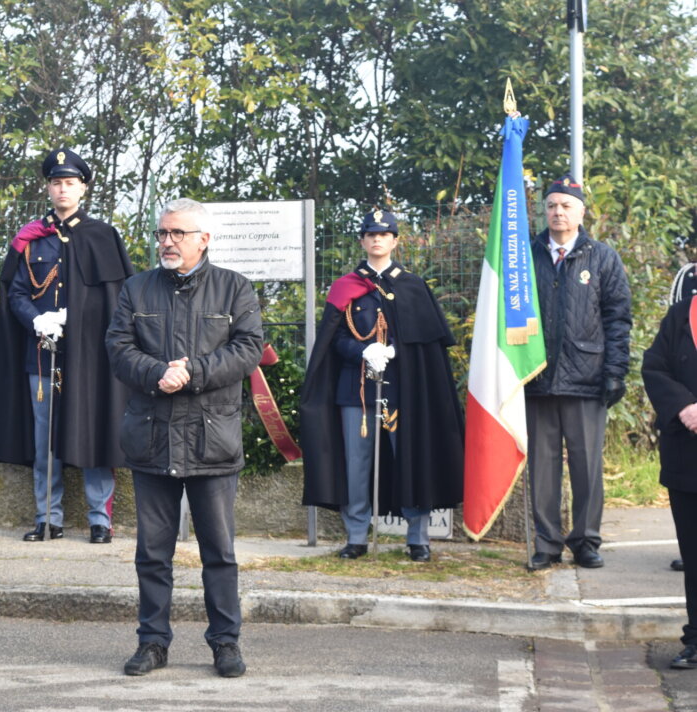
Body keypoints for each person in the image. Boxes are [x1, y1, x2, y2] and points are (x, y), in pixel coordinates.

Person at [105, 197, 263, 678]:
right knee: (152, 554)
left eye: (177, 233)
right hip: (152, 439)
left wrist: (192, 373)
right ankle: (152, 643)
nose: (167, 242)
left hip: (211, 441)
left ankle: (225, 643)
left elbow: (248, 348)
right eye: (162, 233)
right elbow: (117, 347)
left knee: (219, 553)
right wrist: (158, 373)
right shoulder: (136, 289)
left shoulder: (235, 289)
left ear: (204, 239)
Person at [0, 148, 134, 544]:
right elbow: (15, 292)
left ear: (83, 188)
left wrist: (79, 322)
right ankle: (48, 518)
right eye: (56, 182)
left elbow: (118, 301)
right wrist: (36, 319)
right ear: (47, 188)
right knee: (45, 442)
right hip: (42, 356)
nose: (63, 189)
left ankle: (100, 519)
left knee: (96, 431)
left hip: (91, 359)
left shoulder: (102, 236)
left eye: (70, 183)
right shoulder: (31, 239)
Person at [300, 208, 464, 562]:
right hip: (355, 394)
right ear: (362, 240)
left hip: (403, 392)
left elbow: (426, 349)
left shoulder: (413, 286)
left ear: (395, 241)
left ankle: (417, 538)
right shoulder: (346, 286)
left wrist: (395, 350)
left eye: (384, 234)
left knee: (410, 459)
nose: (377, 239)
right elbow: (334, 340)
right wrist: (363, 350)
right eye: (370, 234)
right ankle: (357, 535)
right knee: (356, 466)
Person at [525, 175, 631, 570]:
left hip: (587, 378)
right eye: (551, 205)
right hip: (538, 377)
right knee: (542, 468)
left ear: (581, 212)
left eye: (566, 206)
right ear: (545, 211)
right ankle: (547, 544)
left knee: (587, 466)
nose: (558, 212)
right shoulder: (526, 256)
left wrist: (615, 371)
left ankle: (585, 541)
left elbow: (618, 319)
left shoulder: (602, 257)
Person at [641, 262, 697, 668]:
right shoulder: (680, 315)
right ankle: (696, 639)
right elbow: (654, 367)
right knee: (694, 555)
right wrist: (685, 406)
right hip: (687, 454)